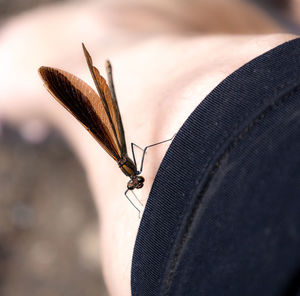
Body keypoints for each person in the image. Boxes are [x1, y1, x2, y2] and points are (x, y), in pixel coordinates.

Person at [0, 0, 299, 295]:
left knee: (187, 100)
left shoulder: (127, 160)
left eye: (136, 181)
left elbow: (140, 149)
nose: (136, 182)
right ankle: (121, 41)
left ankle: (123, 44)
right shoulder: (126, 164)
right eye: (136, 181)